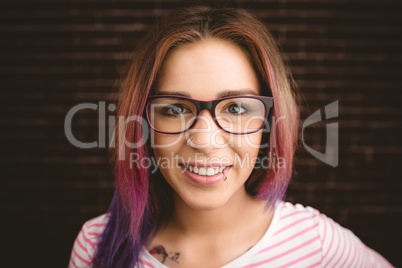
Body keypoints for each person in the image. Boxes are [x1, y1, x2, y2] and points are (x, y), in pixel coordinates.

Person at [68, 6, 393, 268]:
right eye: (174, 109)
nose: (205, 140)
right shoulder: (96, 247)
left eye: (236, 109)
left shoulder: (317, 246)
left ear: (269, 122)